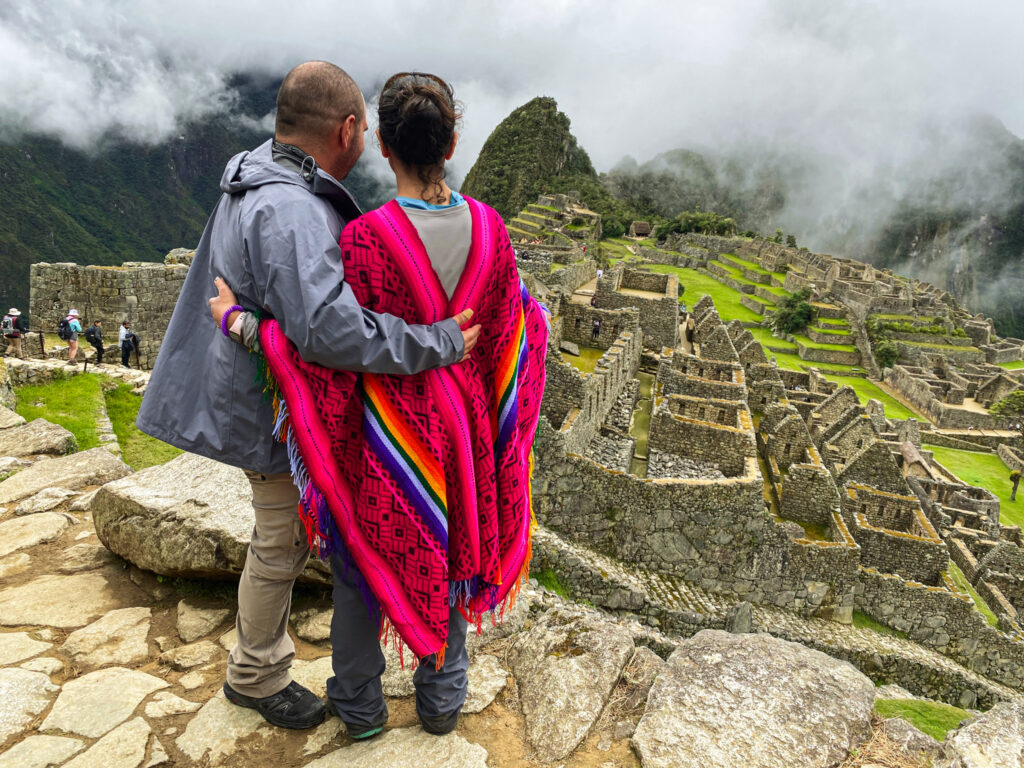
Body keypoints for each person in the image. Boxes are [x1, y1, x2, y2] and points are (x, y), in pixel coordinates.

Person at [137, 62, 481, 733]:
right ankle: (256, 674)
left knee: (298, 540)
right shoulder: (293, 209)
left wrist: (244, 321)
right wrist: (437, 341)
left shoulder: (257, 170)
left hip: (253, 389)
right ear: (351, 131)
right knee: (284, 539)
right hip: (272, 411)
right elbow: (328, 331)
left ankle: (340, 693)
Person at [210, 71, 547, 740]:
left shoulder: (366, 239)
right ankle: (442, 701)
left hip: (384, 433)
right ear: (451, 143)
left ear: (383, 147)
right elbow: (516, 332)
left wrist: (243, 325)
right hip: (465, 431)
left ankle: (360, 709)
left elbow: (325, 348)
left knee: (362, 567)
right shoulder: (491, 230)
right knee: (449, 557)